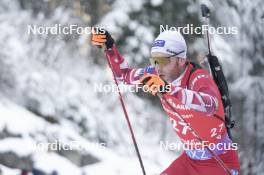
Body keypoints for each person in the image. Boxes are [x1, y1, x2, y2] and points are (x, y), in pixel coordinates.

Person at [91, 29, 240, 175]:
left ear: (181, 60)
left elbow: (210, 105)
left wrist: (168, 89)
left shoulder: (198, 78)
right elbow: (124, 76)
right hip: (190, 160)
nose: (157, 67)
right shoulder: (156, 73)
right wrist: (110, 48)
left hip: (219, 162)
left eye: (162, 60)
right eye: (154, 60)